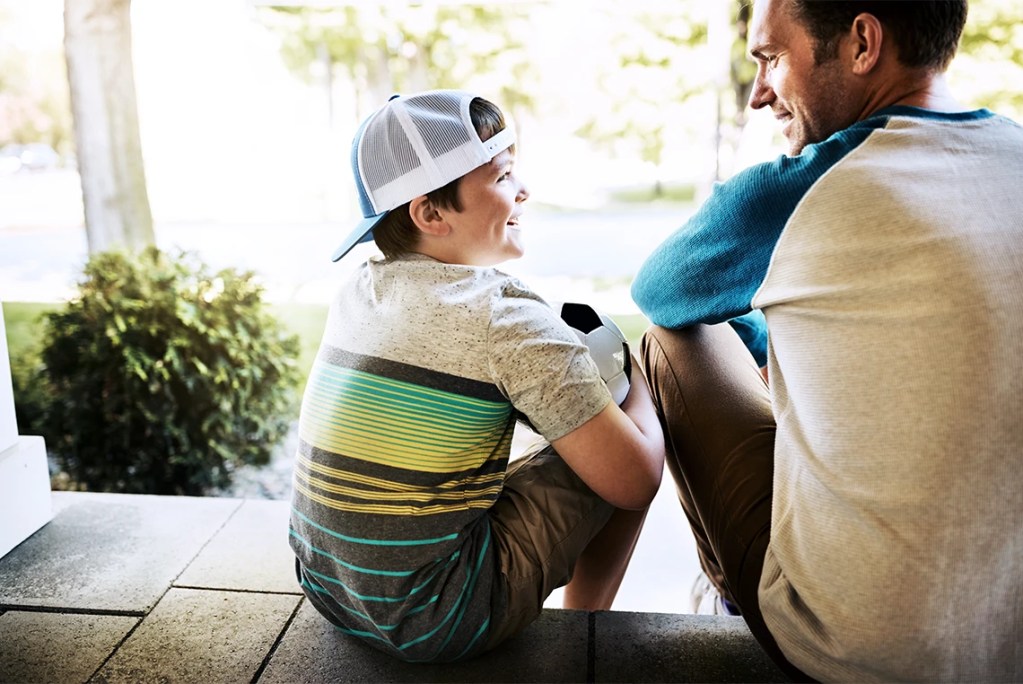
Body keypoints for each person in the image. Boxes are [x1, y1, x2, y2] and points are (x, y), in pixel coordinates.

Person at [631, 0, 1023, 681]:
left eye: (770, 59)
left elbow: (662, 291)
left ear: (862, 43)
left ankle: (731, 599)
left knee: (671, 340)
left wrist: (758, 339)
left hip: (856, 647)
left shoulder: (807, 185)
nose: (758, 94)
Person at [289, 90, 665, 663]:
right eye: (503, 174)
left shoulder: (358, 291)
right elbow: (635, 480)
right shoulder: (505, 320)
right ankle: (587, 634)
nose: (523, 190)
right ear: (430, 213)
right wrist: (639, 384)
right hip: (436, 617)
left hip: (329, 590)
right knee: (623, 449)